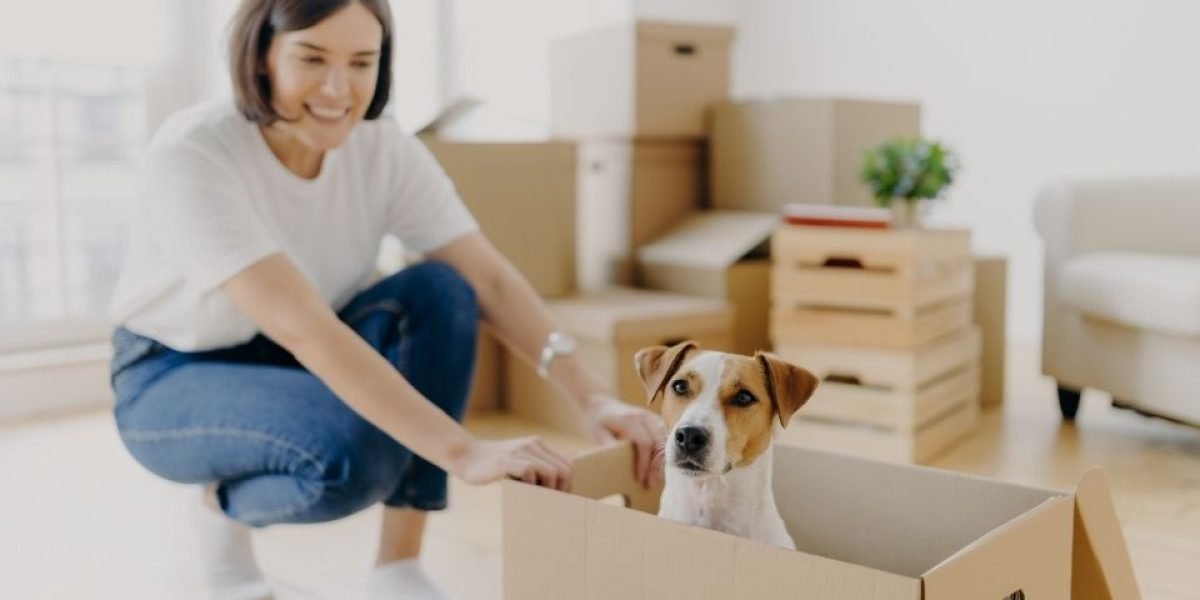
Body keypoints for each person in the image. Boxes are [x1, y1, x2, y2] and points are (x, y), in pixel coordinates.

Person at [106, 1, 665, 599]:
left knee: (442, 290)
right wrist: (465, 452)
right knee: (352, 460)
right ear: (263, 56)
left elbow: (490, 280)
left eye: (361, 62)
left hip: (306, 347)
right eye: (312, 58)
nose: (337, 89)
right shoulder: (193, 152)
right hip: (175, 372)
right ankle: (222, 506)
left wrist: (592, 397)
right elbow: (306, 328)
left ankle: (397, 569)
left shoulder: (381, 146)